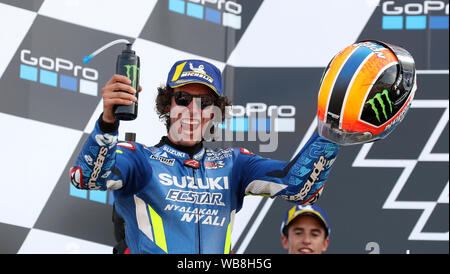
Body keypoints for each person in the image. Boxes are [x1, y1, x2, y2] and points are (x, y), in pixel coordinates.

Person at [70, 40, 416, 254]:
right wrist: (108, 123)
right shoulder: (140, 160)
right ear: (166, 105)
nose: (192, 111)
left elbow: (298, 187)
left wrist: (330, 132)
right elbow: (85, 177)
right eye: (182, 98)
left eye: (205, 103)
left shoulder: (233, 164)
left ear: (215, 113)